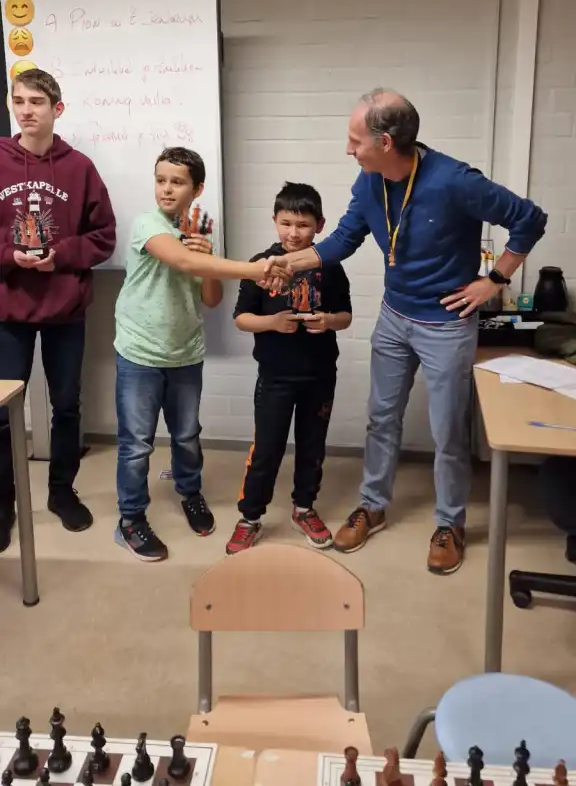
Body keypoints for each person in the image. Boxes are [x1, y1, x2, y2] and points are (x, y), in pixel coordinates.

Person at [263, 89, 547, 574]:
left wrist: (495, 280)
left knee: (448, 430)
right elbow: (343, 240)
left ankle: (450, 523)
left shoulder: (455, 180)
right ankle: (373, 505)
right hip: (394, 318)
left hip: (446, 326)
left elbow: (530, 219)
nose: (348, 150)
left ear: (386, 142)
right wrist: (286, 264)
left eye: (355, 141)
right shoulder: (369, 181)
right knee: (381, 418)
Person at [114, 147, 290, 561]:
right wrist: (256, 269)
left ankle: (190, 494)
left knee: (187, 435)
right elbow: (179, 260)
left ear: (197, 189)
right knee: (136, 445)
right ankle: (131, 520)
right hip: (139, 352)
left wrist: (208, 256)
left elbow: (211, 298)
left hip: (185, 352)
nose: (166, 189)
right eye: (161, 180)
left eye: (177, 182)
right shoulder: (146, 224)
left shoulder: (199, 230)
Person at [0, 68, 116, 550]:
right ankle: (3, 502)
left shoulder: (80, 168)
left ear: (57, 109)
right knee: (3, 411)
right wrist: (11, 255)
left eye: (37, 102)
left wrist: (61, 255)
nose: (26, 111)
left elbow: (104, 236)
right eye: (19, 101)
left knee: (67, 406)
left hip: (65, 309)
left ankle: (62, 492)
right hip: (8, 310)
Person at [226, 182, 352, 555]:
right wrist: (271, 323)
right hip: (275, 377)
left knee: (312, 448)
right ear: (274, 221)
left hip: (320, 376)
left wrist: (328, 321)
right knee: (266, 451)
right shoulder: (262, 264)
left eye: (303, 224)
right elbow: (241, 318)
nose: (293, 233)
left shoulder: (330, 265)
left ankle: (303, 509)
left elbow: (346, 316)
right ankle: (250, 517)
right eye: (286, 223)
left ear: (320, 225)